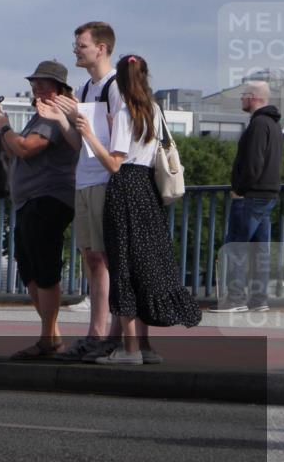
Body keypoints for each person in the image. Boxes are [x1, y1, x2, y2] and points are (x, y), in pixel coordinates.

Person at [75, 55, 201, 364]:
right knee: (144, 264)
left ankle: (129, 349)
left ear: (119, 80)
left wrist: (89, 133)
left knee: (123, 268)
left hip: (124, 190)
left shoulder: (123, 112)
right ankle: (144, 346)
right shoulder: (154, 110)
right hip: (147, 189)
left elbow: (115, 163)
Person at [0, 61, 81, 359]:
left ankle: (48, 338)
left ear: (59, 89)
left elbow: (26, 148)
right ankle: (51, 335)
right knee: (29, 267)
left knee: (44, 268)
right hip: (31, 200)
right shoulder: (41, 115)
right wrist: (5, 130)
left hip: (49, 197)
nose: (37, 87)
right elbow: (17, 148)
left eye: (44, 83)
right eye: (34, 82)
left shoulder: (53, 116)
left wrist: (4, 126)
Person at [53, 22, 126, 362]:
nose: (76, 50)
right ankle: (96, 332)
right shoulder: (84, 88)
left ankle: (111, 334)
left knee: (107, 257)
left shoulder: (115, 87)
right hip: (84, 179)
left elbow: (119, 142)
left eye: (81, 45)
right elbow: (78, 142)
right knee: (91, 257)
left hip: (105, 180)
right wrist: (61, 119)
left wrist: (79, 123)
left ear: (102, 48)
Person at [208, 80, 283, 313]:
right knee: (260, 250)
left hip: (251, 196)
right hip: (268, 195)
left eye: (243, 95)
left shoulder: (258, 124)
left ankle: (235, 299)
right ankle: (259, 300)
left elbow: (253, 163)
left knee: (236, 247)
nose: (241, 98)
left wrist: (239, 189)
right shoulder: (274, 125)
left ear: (252, 97)